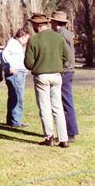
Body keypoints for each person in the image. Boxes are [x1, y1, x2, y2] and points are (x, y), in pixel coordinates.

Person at [24, 13, 70, 148]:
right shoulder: (58, 37)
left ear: (38, 25)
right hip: (57, 75)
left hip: (42, 76)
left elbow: (28, 63)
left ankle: (49, 137)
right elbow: (66, 56)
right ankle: (64, 139)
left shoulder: (33, 40)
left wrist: (39, 64)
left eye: (33, 24)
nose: (32, 26)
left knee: (45, 107)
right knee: (58, 107)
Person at [50, 10, 79, 142]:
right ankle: (68, 131)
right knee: (64, 101)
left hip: (65, 71)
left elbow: (65, 54)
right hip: (67, 70)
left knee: (66, 101)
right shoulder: (63, 33)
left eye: (52, 20)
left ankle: (71, 132)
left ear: (55, 22)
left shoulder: (61, 35)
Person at [2, 27, 30, 127]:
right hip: (15, 74)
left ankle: (11, 119)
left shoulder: (15, 44)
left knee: (13, 96)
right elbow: (4, 54)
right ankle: (15, 120)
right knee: (18, 96)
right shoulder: (13, 43)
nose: (27, 41)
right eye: (27, 39)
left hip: (18, 73)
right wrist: (11, 66)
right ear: (23, 37)